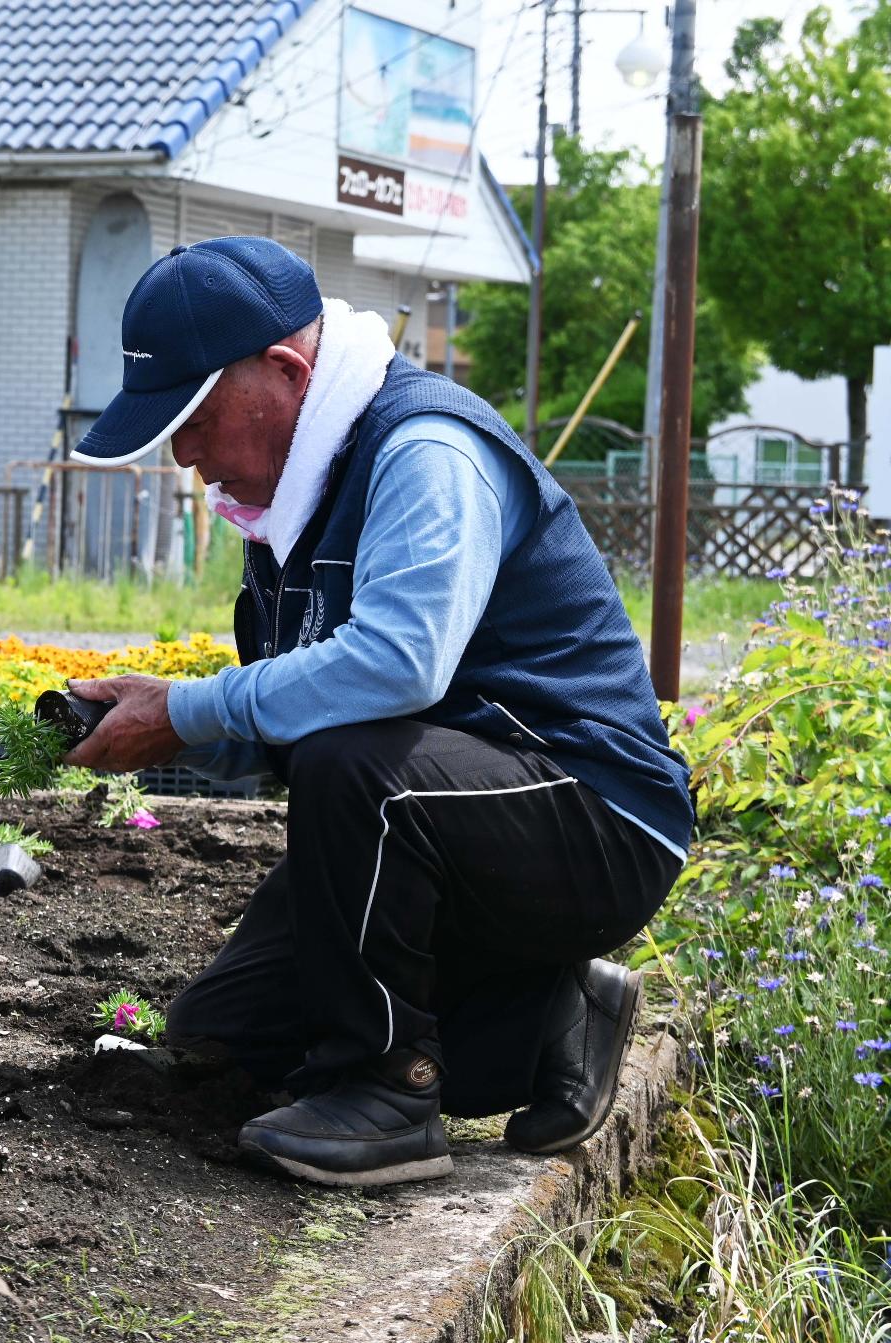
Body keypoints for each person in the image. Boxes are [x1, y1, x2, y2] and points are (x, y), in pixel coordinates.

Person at [63, 238, 689, 1188]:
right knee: (219, 1041)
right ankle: (553, 1014)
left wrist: (189, 710)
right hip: (454, 814)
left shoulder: (424, 450)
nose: (185, 453)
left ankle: (393, 1091)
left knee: (358, 768)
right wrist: (150, 726)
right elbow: (298, 710)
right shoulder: (289, 496)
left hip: (594, 814)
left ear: (286, 371)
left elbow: (397, 666)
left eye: (194, 415)